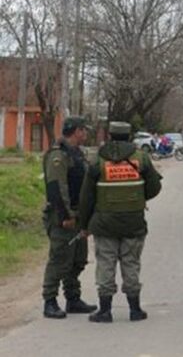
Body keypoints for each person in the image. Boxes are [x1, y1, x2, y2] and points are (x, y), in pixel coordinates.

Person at [79, 121, 162, 323]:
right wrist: (137, 198)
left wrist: (84, 224)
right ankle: (135, 310)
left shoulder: (97, 159)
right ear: (129, 136)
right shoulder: (141, 158)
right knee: (131, 263)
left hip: (104, 222)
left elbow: (86, 196)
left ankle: (105, 311)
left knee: (106, 264)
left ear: (109, 135)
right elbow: (154, 187)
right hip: (134, 222)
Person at [41, 116, 97, 318]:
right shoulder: (58, 155)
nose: (86, 134)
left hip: (79, 215)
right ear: (77, 131)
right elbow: (56, 188)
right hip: (62, 216)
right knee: (59, 259)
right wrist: (66, 215)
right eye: (84, 130)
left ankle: (73, 299)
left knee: (78, 259)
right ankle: (50, 300)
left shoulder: (78, 154)